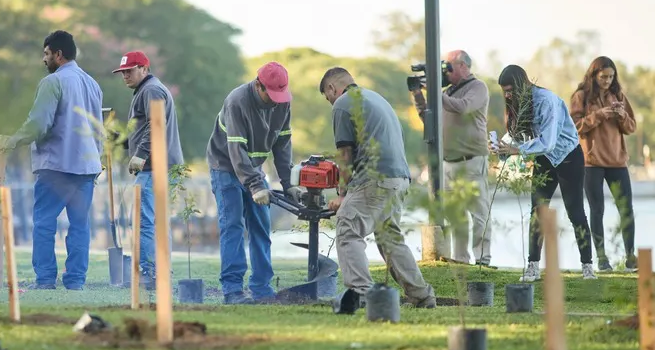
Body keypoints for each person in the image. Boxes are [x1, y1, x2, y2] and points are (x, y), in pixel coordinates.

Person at [320, 67, 435, 312]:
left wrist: (342, 195)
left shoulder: (342, 103)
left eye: (327, 97)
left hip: (374, 178)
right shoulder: (376, 98)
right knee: (390, 238)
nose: (330, 102)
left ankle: (360, 293)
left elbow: (345, 154)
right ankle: (422, 296)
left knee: (348, 228)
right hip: (399, 178)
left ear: (331, 88)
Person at [2, 30, 104, 290]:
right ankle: (76, 281)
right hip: (87, 168)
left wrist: (13, 140)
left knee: (45, 223)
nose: (43, 59)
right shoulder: (92, 84)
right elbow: (98, 128)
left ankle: (46, 280)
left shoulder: (53, 82)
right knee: (80, 226)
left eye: (46, 54)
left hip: (57, 167)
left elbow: (39, 124)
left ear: (59, 55)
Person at [493, 64, 596, 281]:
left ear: (522, 84)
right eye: (505, 91)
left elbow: (548, 142)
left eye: (511, 89)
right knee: (537, 210)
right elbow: (518, 136)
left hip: (568, 156)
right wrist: (501, 147)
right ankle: (532, 266)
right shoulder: (519, 103)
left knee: (575, 211)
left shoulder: (546, 100)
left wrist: (517, 150)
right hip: (545, 158)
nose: (508, 95)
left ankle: (587, 266)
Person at [206, 61, 294, 304]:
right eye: (271, 95)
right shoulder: (237, 101)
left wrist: (289, 184)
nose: (276, 101)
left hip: (253, 168)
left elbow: (283, 144)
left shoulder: (283, 102)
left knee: (261, 226)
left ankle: (261, 288)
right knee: (233, 226)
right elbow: (237, 150)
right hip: (225, 166)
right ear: (258, 85)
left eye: (280, 95)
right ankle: (233, 290)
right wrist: (256, 186)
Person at [112, 50, 184, 289]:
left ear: (144, 68)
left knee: (144, 222)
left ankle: (148, 274)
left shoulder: (151, 90)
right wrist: (123, 142)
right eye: (122, 72)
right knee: (156, 223)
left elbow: (156, 124)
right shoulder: (147, 89)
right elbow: (145, 129)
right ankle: (160, 273)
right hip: (160, 166)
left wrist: (140, 155)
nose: (125, 76)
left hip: (154, 167)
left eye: (129, 71)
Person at [570, 56, 638, 272]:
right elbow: (574, 127)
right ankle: (602, 259)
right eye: (603, 77)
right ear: (594, 75)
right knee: (597, 210)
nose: (608, 81)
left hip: (617, 161)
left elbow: (631, 127)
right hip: (591, 163)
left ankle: (630, 257)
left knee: (626, 210)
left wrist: (621, 115)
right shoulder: (580, 97)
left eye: (611, 77)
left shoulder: (618, 96)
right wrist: (598, 115)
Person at [440, 50, 492, 266]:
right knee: (455, 215)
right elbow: (429, 117)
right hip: (449, 162)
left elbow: (464, 107)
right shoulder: (448, 92)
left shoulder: (477, 87)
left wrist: (435, 93)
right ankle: (461, 259)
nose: (446, 72)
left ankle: (483, 259)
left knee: (479, 213)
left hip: (471, 159)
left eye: (449, 67)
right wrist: (420, 96)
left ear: (463, 66)